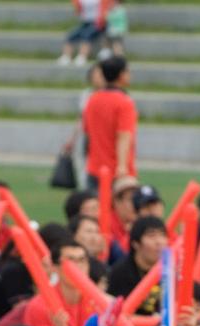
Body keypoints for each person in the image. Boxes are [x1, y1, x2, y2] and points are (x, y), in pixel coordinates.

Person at [81, 56, 136, 187]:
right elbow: (123, 135)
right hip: (116, 171)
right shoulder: (124, 102)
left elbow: (87, 130)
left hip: (95, 168)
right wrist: (122, 166)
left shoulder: (92, 99)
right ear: (121, 75)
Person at [57, 0, 103, 67]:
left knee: (86, 35)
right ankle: (67, 56)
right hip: (85, 22)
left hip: (97, 23)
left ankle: (82, 56)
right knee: (71, 36)